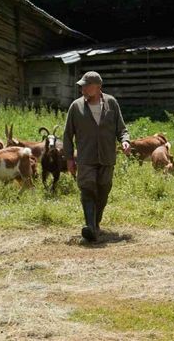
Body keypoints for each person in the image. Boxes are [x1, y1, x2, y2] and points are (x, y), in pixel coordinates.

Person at [63, 71, 131, 242]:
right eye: (82, 86)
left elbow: (121, 129)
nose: (82, 88)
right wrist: (69, 158)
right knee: (87, 188)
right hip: (85, 157)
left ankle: (95, 223)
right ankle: (90, 226)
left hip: (107, 157)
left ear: (98, 87)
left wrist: (125, 141)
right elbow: (67, 134)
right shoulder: (76, 107)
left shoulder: (112, 104)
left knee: (103, 190)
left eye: (86, 85)